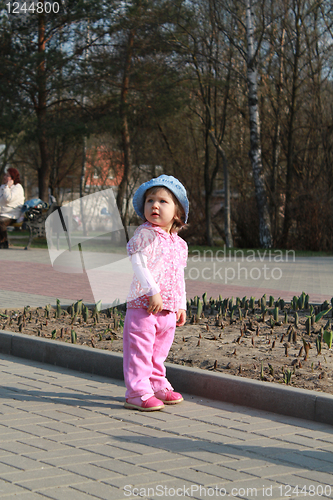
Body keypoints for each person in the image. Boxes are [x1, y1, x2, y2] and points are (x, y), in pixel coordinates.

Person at [123, 174, 189, 411]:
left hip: (169, 308)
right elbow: (138, 264)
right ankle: (137, 391)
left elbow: (179, 276)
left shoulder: (179, 244)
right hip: (144, 305)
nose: (155, 206)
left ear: (177, 213)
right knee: (140, 350)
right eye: (150, 201)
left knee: (158, 352)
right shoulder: (145, 234)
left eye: (163, 201)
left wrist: (181, 304)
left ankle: (157, 384)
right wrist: (152, 291)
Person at [0, 168, 25, 249]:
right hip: (3, 213)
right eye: (5, 175)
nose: (4, 177)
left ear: (12, 177)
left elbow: (8, 199)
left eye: (7, 175)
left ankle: (3, 242)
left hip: (12, 215)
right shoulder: (2, 187)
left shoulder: (17, 188)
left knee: (0, 222)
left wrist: (7, 187)